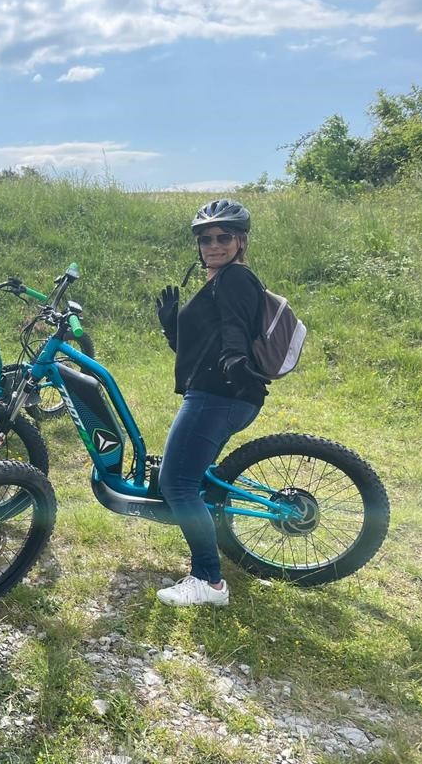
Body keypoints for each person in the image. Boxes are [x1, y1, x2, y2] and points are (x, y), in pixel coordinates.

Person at [153, 198, 269, 607]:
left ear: (240, 241)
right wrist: (172, 327)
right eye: (206, 239)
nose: (214, 245)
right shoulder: (217, 281)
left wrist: (235, 359)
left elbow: (236, 328)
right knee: (187, 476)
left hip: (220, 395)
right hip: (214, 391)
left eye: (224, 237)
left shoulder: (235, 279)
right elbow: (200, 349)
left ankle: (209, 581)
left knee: (177, 485)